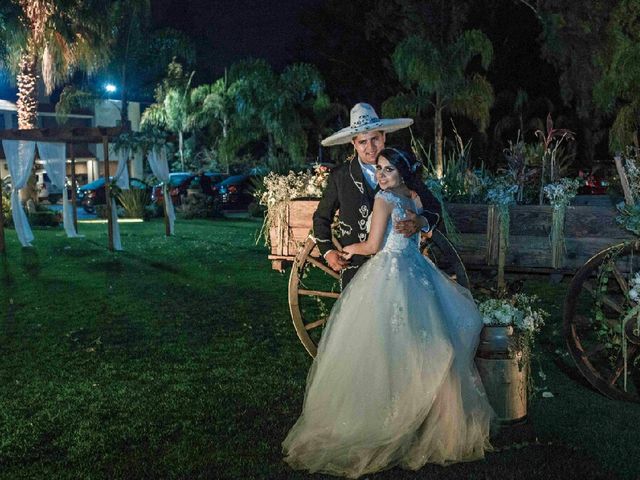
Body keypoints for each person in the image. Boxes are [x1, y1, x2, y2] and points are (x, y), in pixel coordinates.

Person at [283, 148, 495, 478]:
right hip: (417, 273)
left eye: (388, 169)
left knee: (391, 346)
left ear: (402, 172)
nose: (381, 174)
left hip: (393, 274)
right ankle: (433, 418)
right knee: (429, 343)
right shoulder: (410, 198)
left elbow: (371, 247)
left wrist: (348, 249)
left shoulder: (386, 199)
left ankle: (393, 417)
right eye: (379, 169)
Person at [312, 103, 441, 287]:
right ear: (353, 143)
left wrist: (420, 222)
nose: (370, 147)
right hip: (355, 267)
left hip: (397, 273)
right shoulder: (340, 176)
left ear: (384, 137)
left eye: (375, 139)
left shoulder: (402, 171)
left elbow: (433, 206)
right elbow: (321, 217)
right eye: (363, 142)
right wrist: (328, 252)